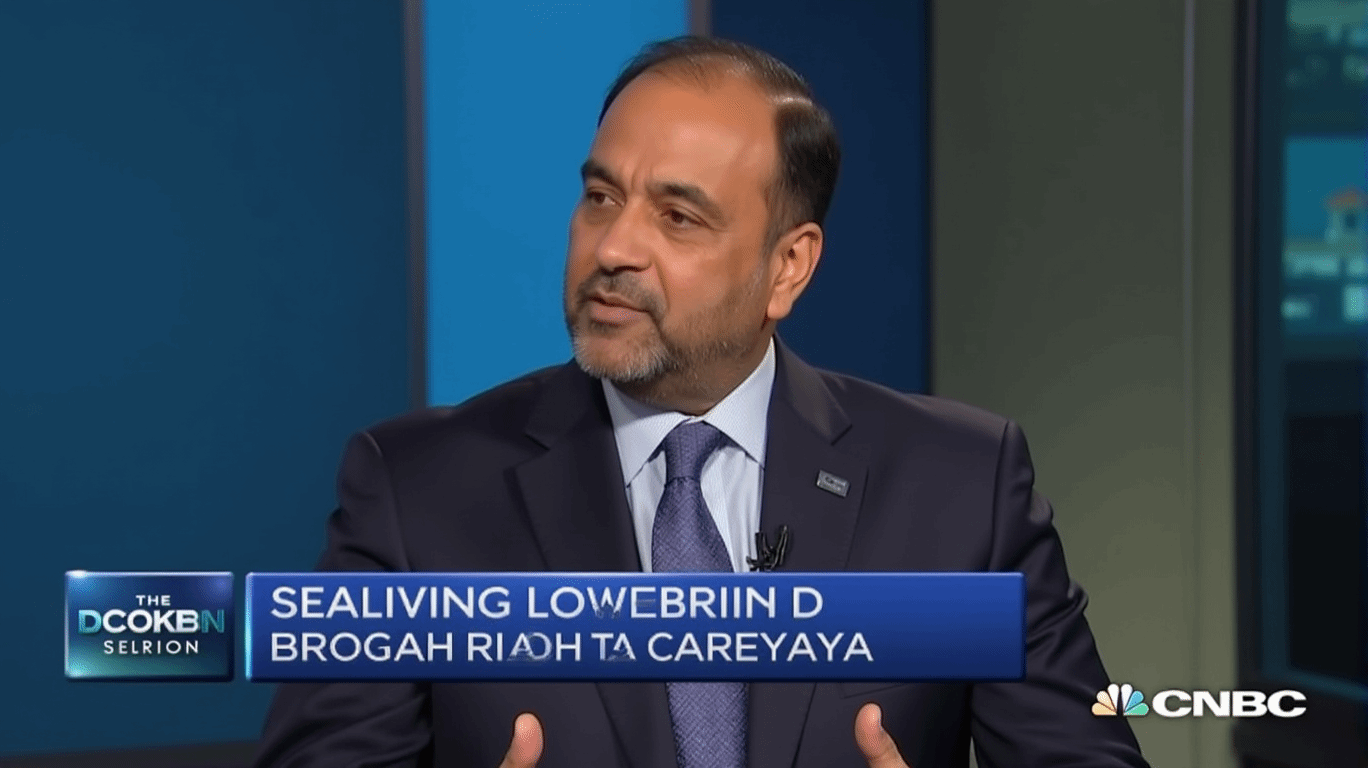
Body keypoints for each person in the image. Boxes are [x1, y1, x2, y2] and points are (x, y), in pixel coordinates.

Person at [254, 35, 1149, 768]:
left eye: (677, 217)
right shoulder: (414, 491)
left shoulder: (961, 485)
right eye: (600, 196)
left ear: (788, 267)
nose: (614, 247)